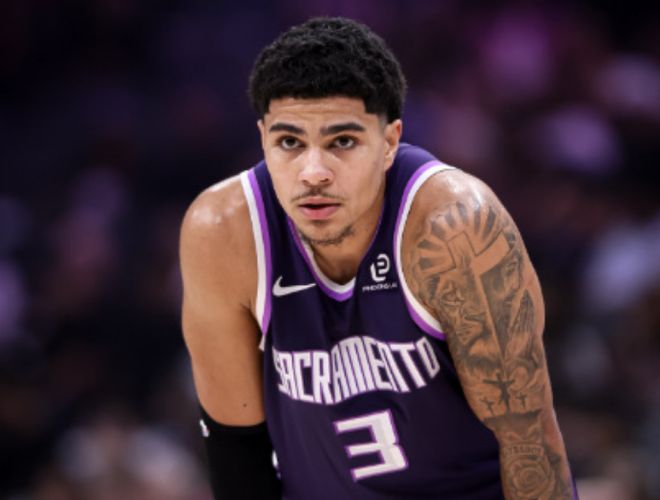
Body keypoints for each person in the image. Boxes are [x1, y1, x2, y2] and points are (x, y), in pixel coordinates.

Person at [179, 16, 576, 500]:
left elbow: (529, 446)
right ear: (263, 138)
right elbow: (237, 451)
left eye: (342, 142)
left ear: (389, 143)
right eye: (290, 143)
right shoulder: (222, 232)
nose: (313, 172)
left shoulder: (455, 229)